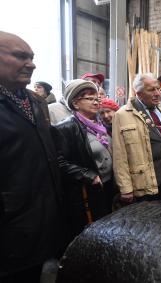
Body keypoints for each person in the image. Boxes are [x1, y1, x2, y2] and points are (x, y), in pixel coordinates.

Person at [0, 31, 62, 283]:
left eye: (32, 57)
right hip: (9, 228)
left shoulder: (35, 101)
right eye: (20, 56)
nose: (32, 64)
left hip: (42, 219)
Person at [53, 79, 114, 245]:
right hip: (86, 190)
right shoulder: (66, 128)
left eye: (97, 97)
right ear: (75, 103)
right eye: (89, 98)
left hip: (107, 185)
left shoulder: (101, 125)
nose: (96, 101)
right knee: (89, 231)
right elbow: (59, 162)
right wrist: (89, 175)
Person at [113, 73, 161, 203]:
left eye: (158, 88)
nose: (157, 93)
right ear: (139, 93)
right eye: (151, 89)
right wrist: (126, 188)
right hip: (143, 183)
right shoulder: (122, 115)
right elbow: (120, 155)